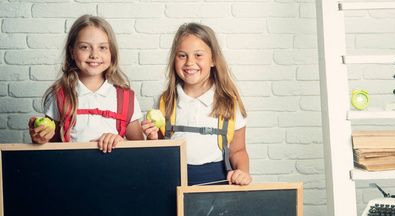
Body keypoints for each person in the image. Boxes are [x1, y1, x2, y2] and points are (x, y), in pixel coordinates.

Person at [141, 23, 252, 186]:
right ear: (174, 59)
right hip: (172, 181)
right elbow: (158, 152)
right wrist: (151, 138)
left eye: (198, 55)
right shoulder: (164, 102)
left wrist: (242, 171)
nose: (189, 62)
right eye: (182, 55)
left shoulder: (228, 103)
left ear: (213, 59)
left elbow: (238, 150)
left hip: (217, 181)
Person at [28, 15, 144, 153]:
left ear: (111, 52)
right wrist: (40, 139)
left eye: (102, 47)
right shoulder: (59, 95)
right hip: (71, 171)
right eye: (85, 47)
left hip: (115, 172)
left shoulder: (126, 98)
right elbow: (50, 149)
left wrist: (122, 142)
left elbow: (140, 150)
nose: (94, 54)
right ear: (72, 52)